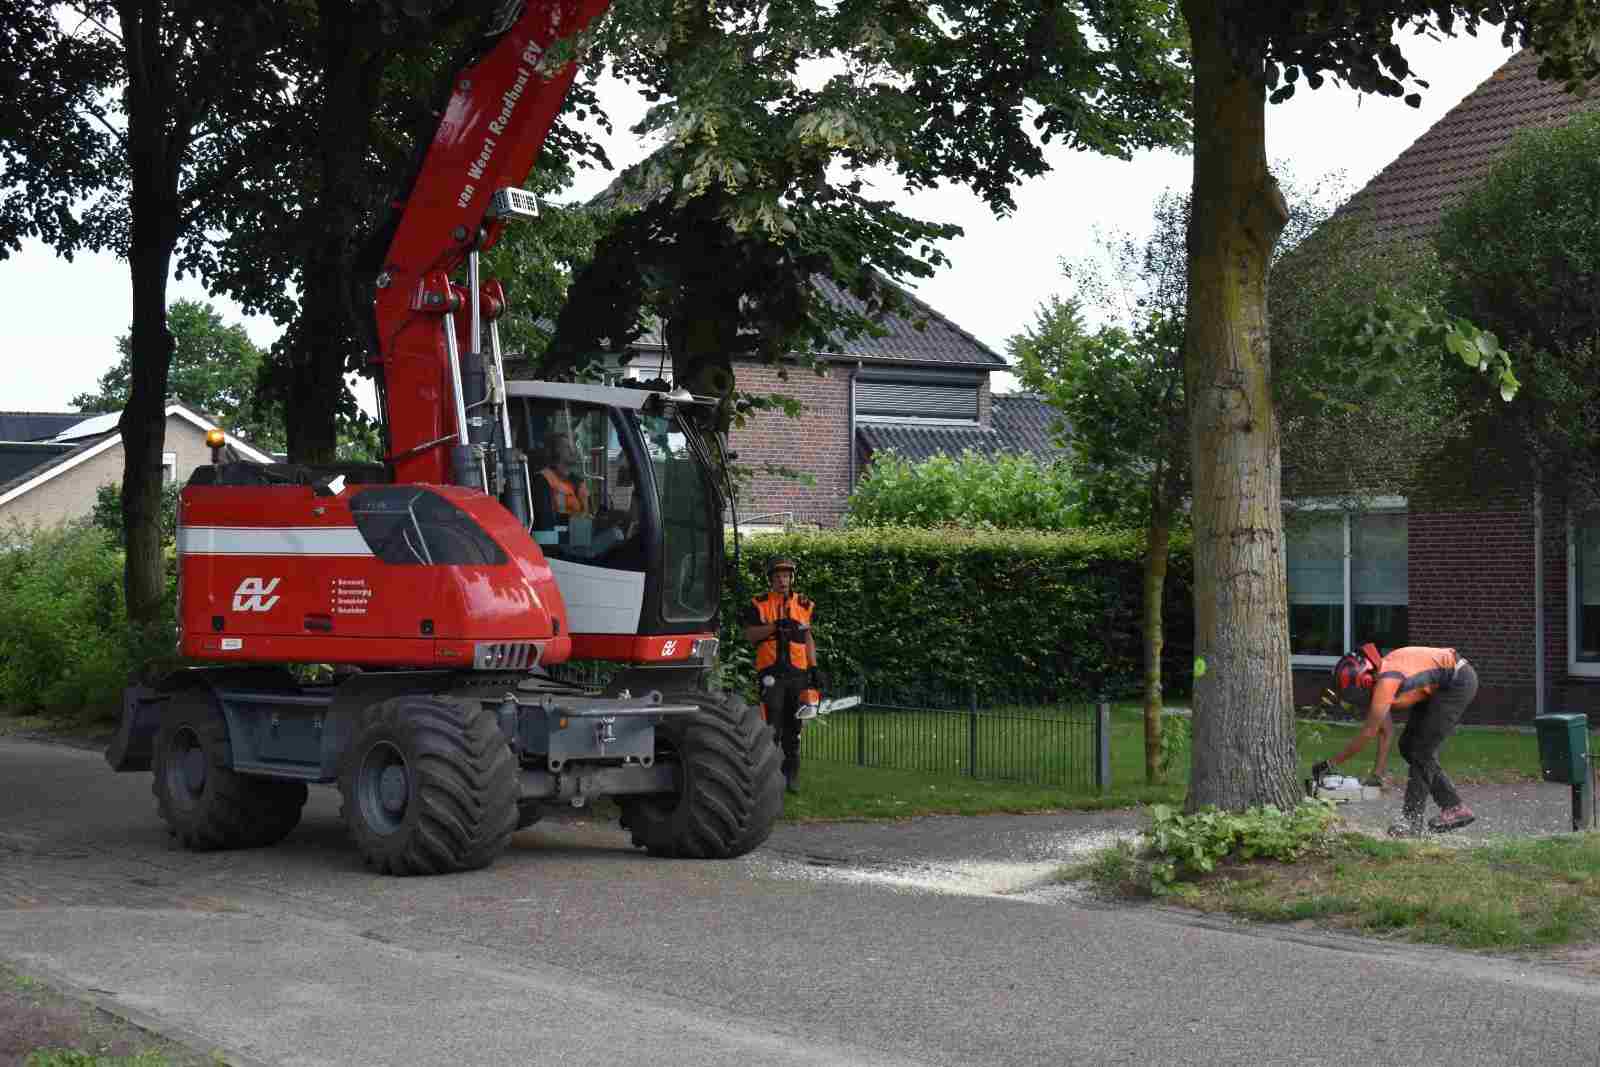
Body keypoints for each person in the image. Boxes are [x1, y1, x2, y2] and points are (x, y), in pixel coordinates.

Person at [1314, 643, 1479, 836]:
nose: (1359, 699)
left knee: (1421, 751)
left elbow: (1369, 732)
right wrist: (1377, 774)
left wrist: (1330, 763)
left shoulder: (1386, 682)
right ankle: (1454, 807)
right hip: (1438, 687)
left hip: (1456, 682)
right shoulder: (1381, 676)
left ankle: (1412, 822)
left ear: (1365, 680)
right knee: (1408, 746)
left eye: (1357, 693)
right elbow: (1386, 730)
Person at [741, 557, 820, 794]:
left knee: (794, 727)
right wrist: (775, 626)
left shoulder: (804, 604)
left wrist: (813, 668)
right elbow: (751, 636)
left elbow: (808, 639)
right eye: (778, 576)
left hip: (797, 673)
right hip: (771, 673)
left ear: (792, 578)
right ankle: (769, 778)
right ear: (771, 579)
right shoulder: (759, 604)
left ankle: (791, 775)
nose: (783, 580)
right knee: (771, 727)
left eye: (786, 576)